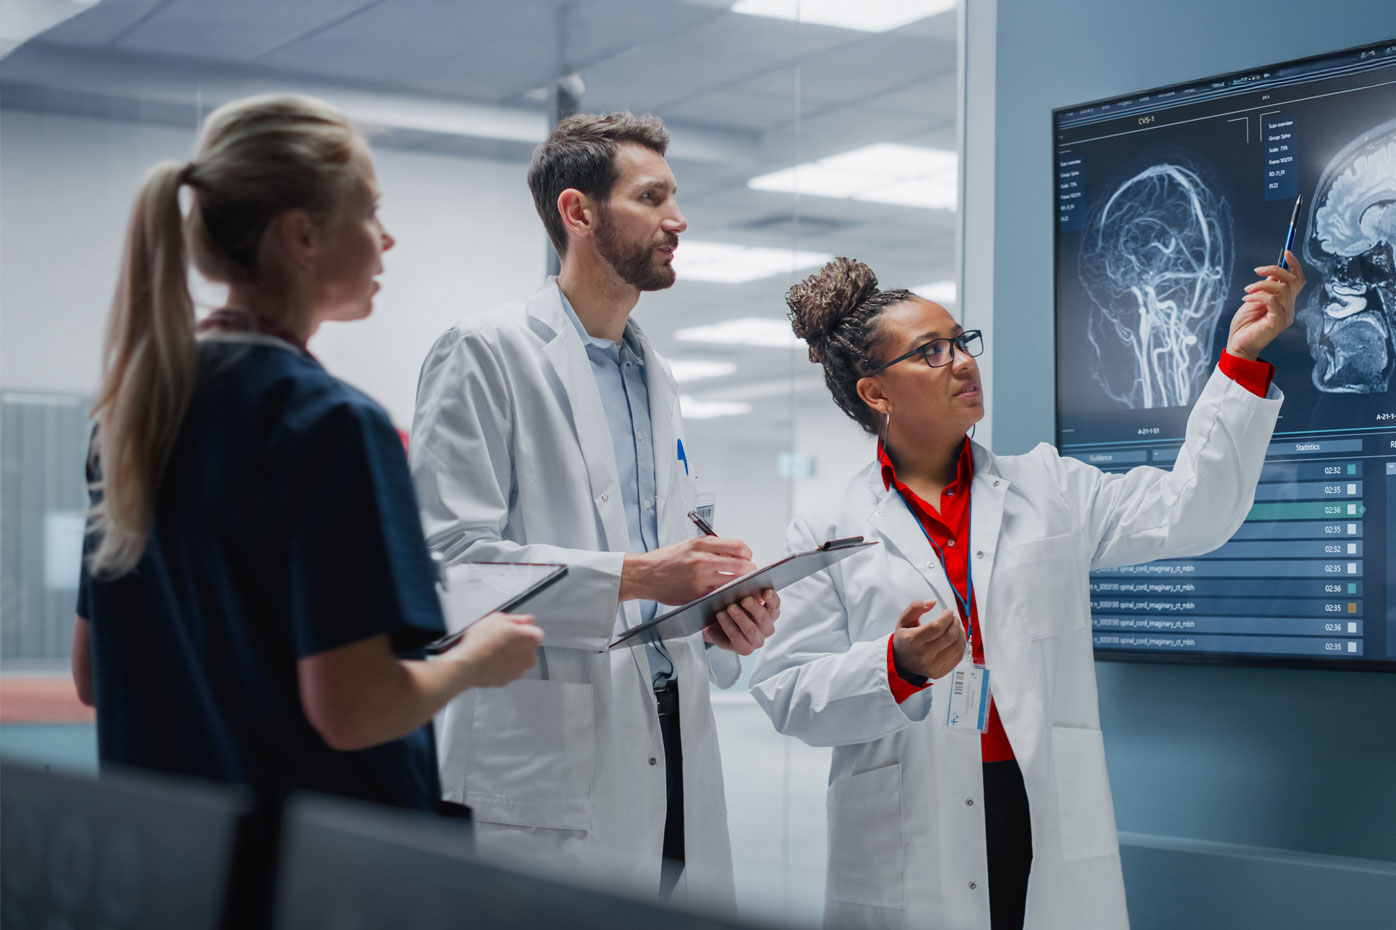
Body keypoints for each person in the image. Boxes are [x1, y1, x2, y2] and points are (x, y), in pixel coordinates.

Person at [749, 254, 1304, 930]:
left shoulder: (1049, 489)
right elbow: (786, 693)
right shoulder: (826, 528)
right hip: (913, 818)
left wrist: (1241, 360)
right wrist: (896, 665)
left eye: (960, 341)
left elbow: (1195, 511)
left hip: (1036, 803)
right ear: (876, 394)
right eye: (930, 352)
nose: (961, 362)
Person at [71, 93, 542, 816]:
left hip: (175, 858)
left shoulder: (133, 418)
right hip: (309, 871)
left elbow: (95, 676)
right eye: (369, 212)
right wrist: (475, 661)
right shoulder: (329, 425)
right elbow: (354, 710)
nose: (386, 240)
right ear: (302, 237)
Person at [409, 111, 779, 905]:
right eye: (652, 198)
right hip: (550, 757)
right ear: (578, 212)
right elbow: (446, 567)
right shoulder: (484, 351)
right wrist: (643, 575)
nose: (677, 220)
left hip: (670, 734)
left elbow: (667, 552)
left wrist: (720, 608)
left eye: (674, 198)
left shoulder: (659, 377)